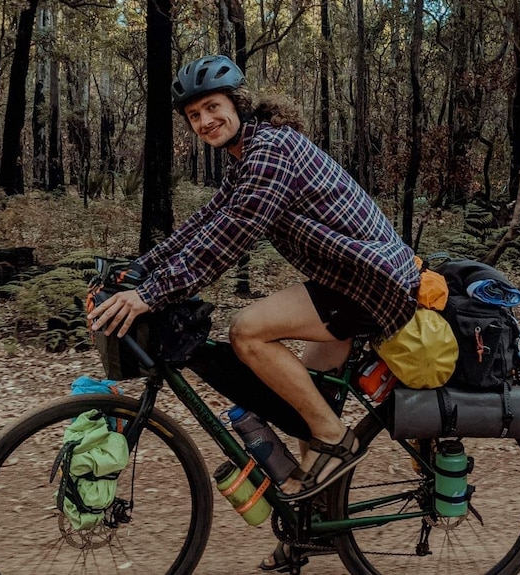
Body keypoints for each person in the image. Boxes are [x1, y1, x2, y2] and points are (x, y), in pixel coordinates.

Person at [87, 54, 419, 567]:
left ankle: (337, 441)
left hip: (371, 283)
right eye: (195, 115)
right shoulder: (248, 155)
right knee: (311, 399)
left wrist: (149, 295)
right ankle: (313, 531)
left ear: (237, 104)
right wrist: (139, 268)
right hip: (347, 280)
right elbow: (205, 221)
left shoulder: (270, 151)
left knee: (247, 332)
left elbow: (228, 239)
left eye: (213, 107)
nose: (205, 122)